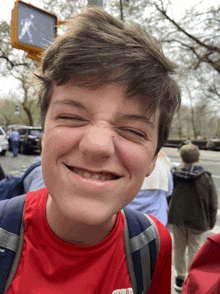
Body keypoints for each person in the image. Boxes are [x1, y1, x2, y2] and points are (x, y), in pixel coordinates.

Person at [3, 7, 181, 293]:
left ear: (153, 158)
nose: (97, 146)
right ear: (44, 135)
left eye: (133, 131)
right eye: (72, 117)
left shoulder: (153, 245)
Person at [168, 144, 218, 292]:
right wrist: (211, 222)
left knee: (178, 247)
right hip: (199, 220)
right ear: (198, 159)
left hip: (178, 218)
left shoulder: (174, 174)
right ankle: (192, 277)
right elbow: (213, 202)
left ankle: (179, 277)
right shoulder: (205, 177)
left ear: (181, 158)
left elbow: (169, 194)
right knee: (195, 249)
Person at [126, 150, 173, 226]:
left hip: (129, 221)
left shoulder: (127, 160)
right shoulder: (163, 162)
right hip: (157, 220)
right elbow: (169, 191)